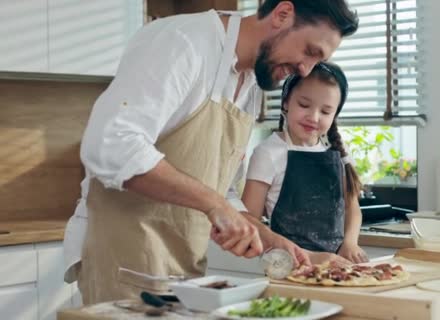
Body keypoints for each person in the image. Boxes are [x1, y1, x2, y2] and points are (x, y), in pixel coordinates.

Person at [62, 0, 359, 304]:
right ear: (283, 14)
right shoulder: (183, 43)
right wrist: (214, 204)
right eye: (310, 51)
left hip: (185, 271)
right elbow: (111, 143)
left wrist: (277, 243)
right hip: (125, 261)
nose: (305, 69)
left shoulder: (252, 85)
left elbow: (221, 188)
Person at [241, 61, 369, 266]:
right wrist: (311, 258)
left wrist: (350, 243)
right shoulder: (268, 153)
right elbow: (250, 220)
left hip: (336, 265)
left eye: (326, 111)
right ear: (285, 102)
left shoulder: (338, 155)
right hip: (287, 266)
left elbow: (352, 209)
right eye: (304, 105)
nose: (314, 117)